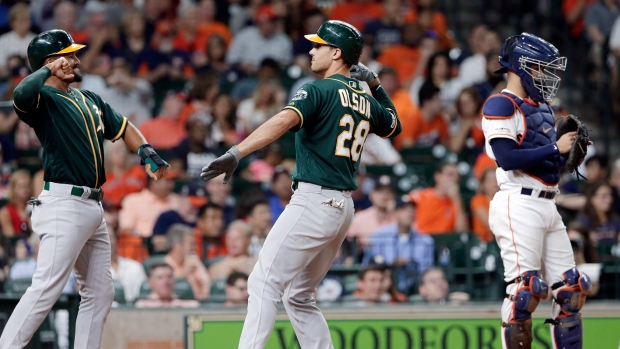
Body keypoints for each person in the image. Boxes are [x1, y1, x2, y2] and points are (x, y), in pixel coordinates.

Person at [200, 20, 401, 349]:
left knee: (263, 283)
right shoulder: (364, 100)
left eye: (319, 45)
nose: (311, 49)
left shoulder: (319, 89)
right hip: (343, 208)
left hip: (314, 200)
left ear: (336, 53)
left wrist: (237, 151)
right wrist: (374, 84)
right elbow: (393, 125)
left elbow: (283, 120)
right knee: (299, 295)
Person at [0, 29, 169, 349]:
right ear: (50, 63)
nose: (76, 60)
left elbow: (123, 126)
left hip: (92, 206)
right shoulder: (43, 100)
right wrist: (47, 69)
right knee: (47, 288)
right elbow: (21, 94)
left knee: (101, 292)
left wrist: (146, 151)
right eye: (68, 56)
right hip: (63, 202)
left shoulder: (88, 97)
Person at [481, 33, 591, 349]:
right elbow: (506, 157)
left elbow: (546, 164)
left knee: (571, 290)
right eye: (539, 68)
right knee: (524, 293)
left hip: (547, 202)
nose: (544, 75)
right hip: (518, 203)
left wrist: (569, 156)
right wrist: (556, 146)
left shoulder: (542, 107)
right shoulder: (501, 102)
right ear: (520, 67)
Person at [134, 262, 200, 308]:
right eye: (160, 277)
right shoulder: (142, 306)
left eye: (169, 277)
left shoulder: (188, 306)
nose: (166, 281)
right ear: (150, 282)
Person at [0, 170, 32, 237]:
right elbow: (10, 238)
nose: (25, 189)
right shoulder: (5, 212)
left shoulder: (35, 209)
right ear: (13, 188)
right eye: (21, 186)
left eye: (27, 185)